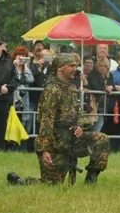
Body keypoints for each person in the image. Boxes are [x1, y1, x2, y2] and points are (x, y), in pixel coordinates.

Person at [7, 53, 110, 185]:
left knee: (101, 139)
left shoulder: (71, 88)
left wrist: (79, 128)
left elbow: (77, 115)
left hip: (72, 140)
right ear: (60, 68)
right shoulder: (52, 90)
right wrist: (45, 150)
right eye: (71, 66)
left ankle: (91, 181)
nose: (75, 69)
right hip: (55, 143)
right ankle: (19, 182)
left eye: (76, 66)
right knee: (50, 185)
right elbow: (46, 121)